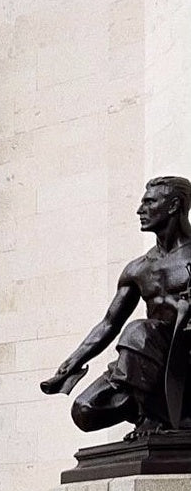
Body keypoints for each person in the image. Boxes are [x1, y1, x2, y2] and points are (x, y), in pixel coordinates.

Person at [41, 175, 191, 436]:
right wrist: (73, 362)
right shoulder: (138, 269)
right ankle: (157, 410)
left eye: (150, 203)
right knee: (85, 410)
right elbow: (109, 323)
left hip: (184, 357)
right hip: (147, 360)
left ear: (174, 205)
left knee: (138, 331)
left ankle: (157, 418)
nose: (139, 210)